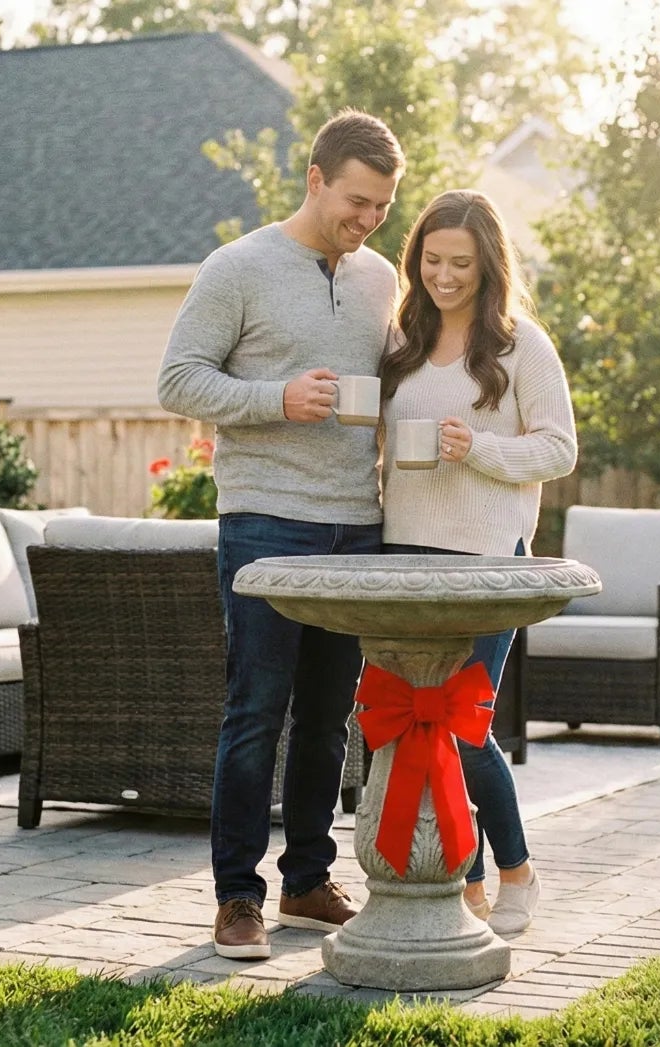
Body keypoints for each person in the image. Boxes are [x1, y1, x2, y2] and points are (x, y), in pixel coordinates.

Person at [156, 110, 405, 961]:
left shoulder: (379, 281)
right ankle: (236, 896)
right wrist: (276, 399)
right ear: (315, 177)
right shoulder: (239, 268)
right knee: (256, 710)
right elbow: (178, 379)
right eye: (356, 200)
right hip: (264, 519)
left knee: (333, 716)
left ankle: (306, 878)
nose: (366, 220)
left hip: (356, 523)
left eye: (380, 207)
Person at [377, 189, 577, 935]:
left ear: (488, 264)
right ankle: (459, 883)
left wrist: (481, 449)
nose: (445, 275)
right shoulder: (400, 340)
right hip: (403, 551)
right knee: (409, 726)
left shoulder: (523, 343)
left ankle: (515, 869)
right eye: (431, 259)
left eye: (461, 262)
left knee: (462, 727)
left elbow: (559, 448)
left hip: (488, 558)